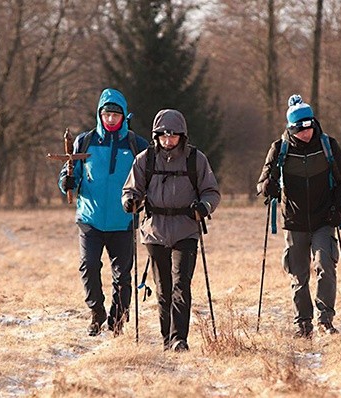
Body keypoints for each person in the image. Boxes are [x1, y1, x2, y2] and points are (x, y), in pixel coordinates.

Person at [122, 109, 220, 352]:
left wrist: (204, 206)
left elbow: (211, 191)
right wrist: (130, 201)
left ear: (182, 136)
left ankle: (179, 339)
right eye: (163, 136)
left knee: (181, 285)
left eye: (173, 136)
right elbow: (131, 188)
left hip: (186, 230)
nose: (168, 141)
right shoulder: (146, 159)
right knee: (163, 288)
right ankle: (166, 338)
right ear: (156, 136)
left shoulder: (195, 159)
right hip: (154, 231)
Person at [257, 94, 341, 338]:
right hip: (295, 222)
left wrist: (340, 207)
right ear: (291, 128)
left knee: (325, 266)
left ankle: (325, 320)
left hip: (324, 220)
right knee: (298, 274)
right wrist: (268, 186)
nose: (306, 133)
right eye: (300, 129)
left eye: (309, 127)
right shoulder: (280, 149)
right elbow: (262, 183)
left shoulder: (328, 145)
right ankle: (303, 323)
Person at [58, 88, 148, 336]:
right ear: (100, 114)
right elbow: (71, 174)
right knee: (88, 266)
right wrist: (65, 182)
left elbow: (146, 180)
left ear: (124, 116)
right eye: (106, 114)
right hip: (90, 219)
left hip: (123, 220)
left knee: (122, 275)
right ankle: (96, 311)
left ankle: (117, 319)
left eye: (115, 115)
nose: (110, 119)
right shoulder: (84, 141)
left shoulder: (136, 144)